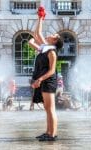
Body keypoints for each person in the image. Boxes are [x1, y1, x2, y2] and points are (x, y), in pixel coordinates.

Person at [28, 9, 63, 141]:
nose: (49, 35)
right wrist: (40, 18)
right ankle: (48, 132)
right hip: (44, 81)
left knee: (50, 108)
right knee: (47, 108)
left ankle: (52, 134)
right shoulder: (45, 48)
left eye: (52, 35)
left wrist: (40, 80)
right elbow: (37, 33)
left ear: (55, 40)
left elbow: (52, 71)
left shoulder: (52, 52)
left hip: (48, 81)